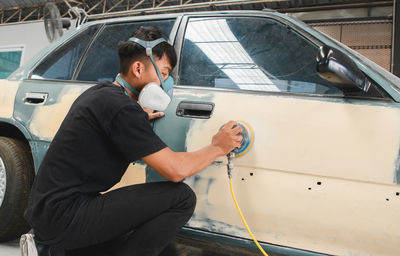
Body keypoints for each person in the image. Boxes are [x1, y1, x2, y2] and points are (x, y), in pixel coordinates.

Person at [22, 26, 242, 256]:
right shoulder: (119, 108)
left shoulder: (103, 94)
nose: (166, 84)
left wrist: (137, 115)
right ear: (138, 68)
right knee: (182, 198)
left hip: (51, 213)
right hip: (65, 218)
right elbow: (176, 171)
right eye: (164, 74)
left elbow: (114, 121)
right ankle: (56, 247)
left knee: (152, 245)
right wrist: (218, 147)